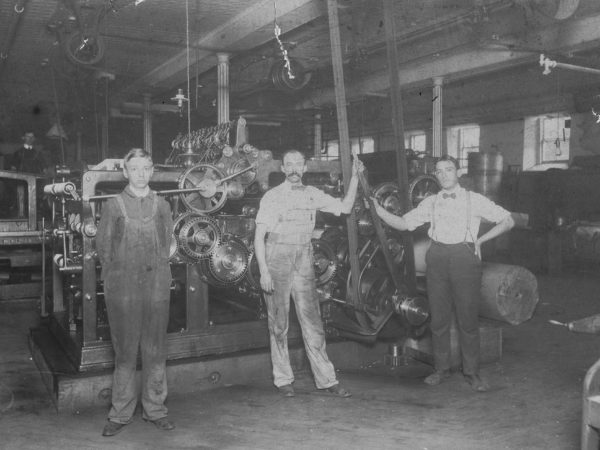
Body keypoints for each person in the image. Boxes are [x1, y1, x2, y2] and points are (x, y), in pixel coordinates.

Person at [371, 155, 514, 392]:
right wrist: (378, 211)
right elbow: (404, 224)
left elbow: (507, 221)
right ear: (435, 176)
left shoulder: (474, 200)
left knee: (467, 319)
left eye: (449, 169)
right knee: (438, 318)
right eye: (439, 171)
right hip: (436, 257)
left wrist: (481, 240)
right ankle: (441, 369)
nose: (444, 174)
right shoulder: (431, 202)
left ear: (458, 172)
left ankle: (472, 372)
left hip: (464, 258)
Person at [254, 150, 364, 398]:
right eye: (289, 164)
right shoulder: (272, 197)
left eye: (298, 164)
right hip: (276, 257)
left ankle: (327, 379)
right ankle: (283, 379)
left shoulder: (313, 194)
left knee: (313, 322)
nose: (294, 168)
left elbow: (345, 207)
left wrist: (355, 177)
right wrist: (264, 271)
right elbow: (259, 237)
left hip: (304, 257)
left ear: (305, 169)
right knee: (279, 323)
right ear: (282, 169)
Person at [96, 148, 175, 436]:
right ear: (126, 172)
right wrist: (117, 283)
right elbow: (103, 249)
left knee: (155, 349)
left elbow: (166, 246)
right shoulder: (113, 205)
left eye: (146, 168)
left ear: (152, 171)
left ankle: (155, 409)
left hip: (156, 287)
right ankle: (119, 414)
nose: (141, 173)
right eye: (135, 168)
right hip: (123, 289)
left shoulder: (163, 205)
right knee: (125, 352)